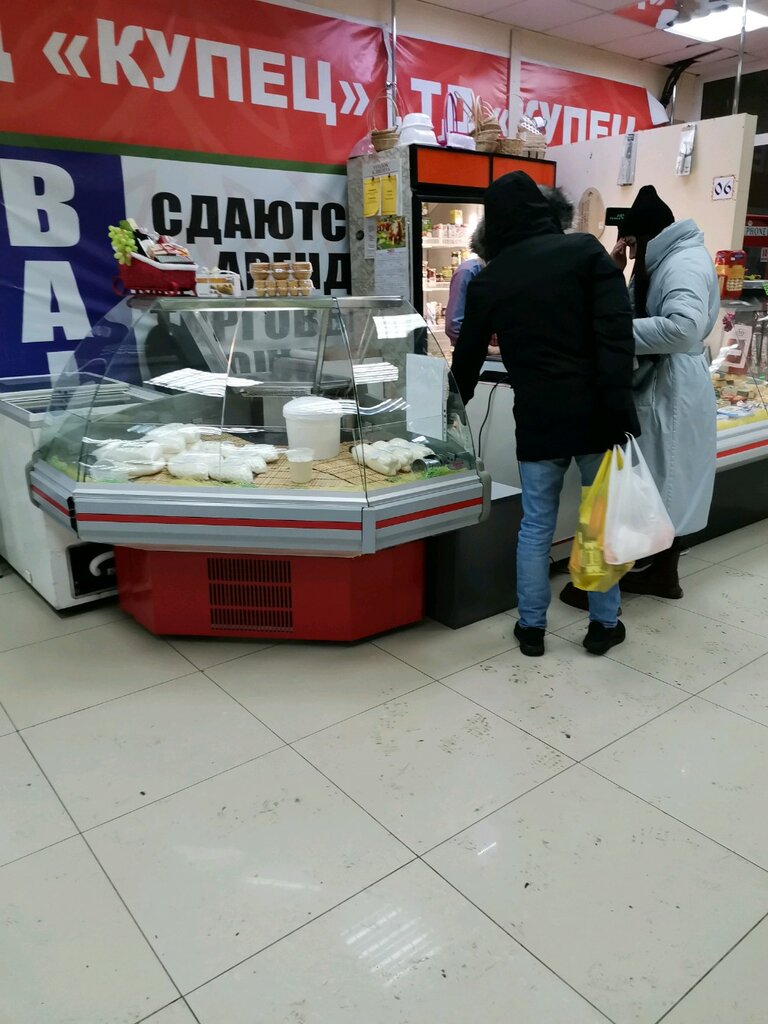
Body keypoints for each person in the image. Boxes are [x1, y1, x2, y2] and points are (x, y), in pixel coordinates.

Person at [452, 170, 639, 658]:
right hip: (597, 413)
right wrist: (620, 406)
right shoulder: (584, 252)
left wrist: (449, 412)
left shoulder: (491, 278)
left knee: (536, 525)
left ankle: (532, 628)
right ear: (543, 209)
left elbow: (467, 358)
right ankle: (603, 625)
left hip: (537, 417)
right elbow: (616, 333)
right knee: (597, 521)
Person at [560, 184, 719, 608]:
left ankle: (605, 581)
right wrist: (617, 272)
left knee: (649, 487)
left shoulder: (682, 263)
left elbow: (682, 327)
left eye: (631, 243)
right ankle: (661, 575)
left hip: (671, 387)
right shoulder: (668, 258)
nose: (629, 251)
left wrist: (611, 333)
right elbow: (639, 309)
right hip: (668, 384)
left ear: (645, 236)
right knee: (661, 485)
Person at [444, 221, 487, 347]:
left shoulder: (502, 272)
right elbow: (454, 325)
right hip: (475, 353)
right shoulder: (468, 272)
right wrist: (486, 348)